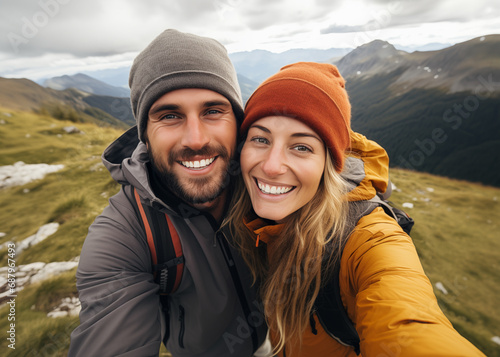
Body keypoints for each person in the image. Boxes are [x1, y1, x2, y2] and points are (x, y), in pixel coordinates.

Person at [224, 62, 486, 356]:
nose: (271, 167)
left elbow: (409, 323)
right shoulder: (241, 210)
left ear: (329, 163)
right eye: (260, 139)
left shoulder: (368, 240)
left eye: (302, 147)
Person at [68, 29, 270, 357]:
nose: (195, 138)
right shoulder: (126, 232)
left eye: (213, 111)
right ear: (144, 135)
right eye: (170, 116)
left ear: (239, 120)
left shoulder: (268, 178)